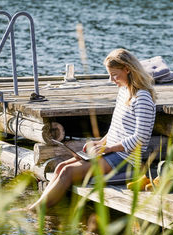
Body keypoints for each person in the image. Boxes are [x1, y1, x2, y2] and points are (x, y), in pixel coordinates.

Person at [28, 48, 156, 211]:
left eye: (114, 75)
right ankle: (38, 207)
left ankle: (35, 211)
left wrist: (109, 148)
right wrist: (101, 142)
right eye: (109, 75)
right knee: (60, 167)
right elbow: (118, 129)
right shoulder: (124, 91)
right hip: (111, 152)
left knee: (67, 171)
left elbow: (141, 139)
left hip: (126, 158)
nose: (111, 80)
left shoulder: (142, 97)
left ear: (127, 69)